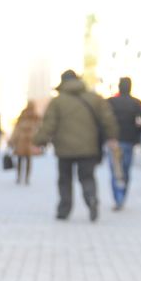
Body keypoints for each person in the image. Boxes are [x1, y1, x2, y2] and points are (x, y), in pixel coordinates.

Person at [33, 69, 116, 222]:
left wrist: (39, 141)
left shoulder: (58, 101)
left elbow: (49, 125)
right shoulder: (94, 98)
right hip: (89, 148)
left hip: (64, 148)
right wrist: (112, 138)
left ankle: (64, 210)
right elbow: (108, 120)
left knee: (65, 179)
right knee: (87, 177)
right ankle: (91, 199)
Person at [105, 77, 141, 210]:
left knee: (115, 170)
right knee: (125, 170)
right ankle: (122, 196)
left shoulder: (111, 102)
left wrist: (107, 134)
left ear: (119, 87)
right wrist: (136, 132)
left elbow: (103, 120)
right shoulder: (135, 103)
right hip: (129, 141)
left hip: (114, 141)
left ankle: (118, 198)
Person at [7, 101, 41, 185]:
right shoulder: (35, 118)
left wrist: (12, 140)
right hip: (28, 142)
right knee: (26, 160)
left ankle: (20, 177)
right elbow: (39, 130)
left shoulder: (28, 117)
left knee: (21, 160)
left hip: (22, 142)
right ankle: (25, 178)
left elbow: (16, 130)